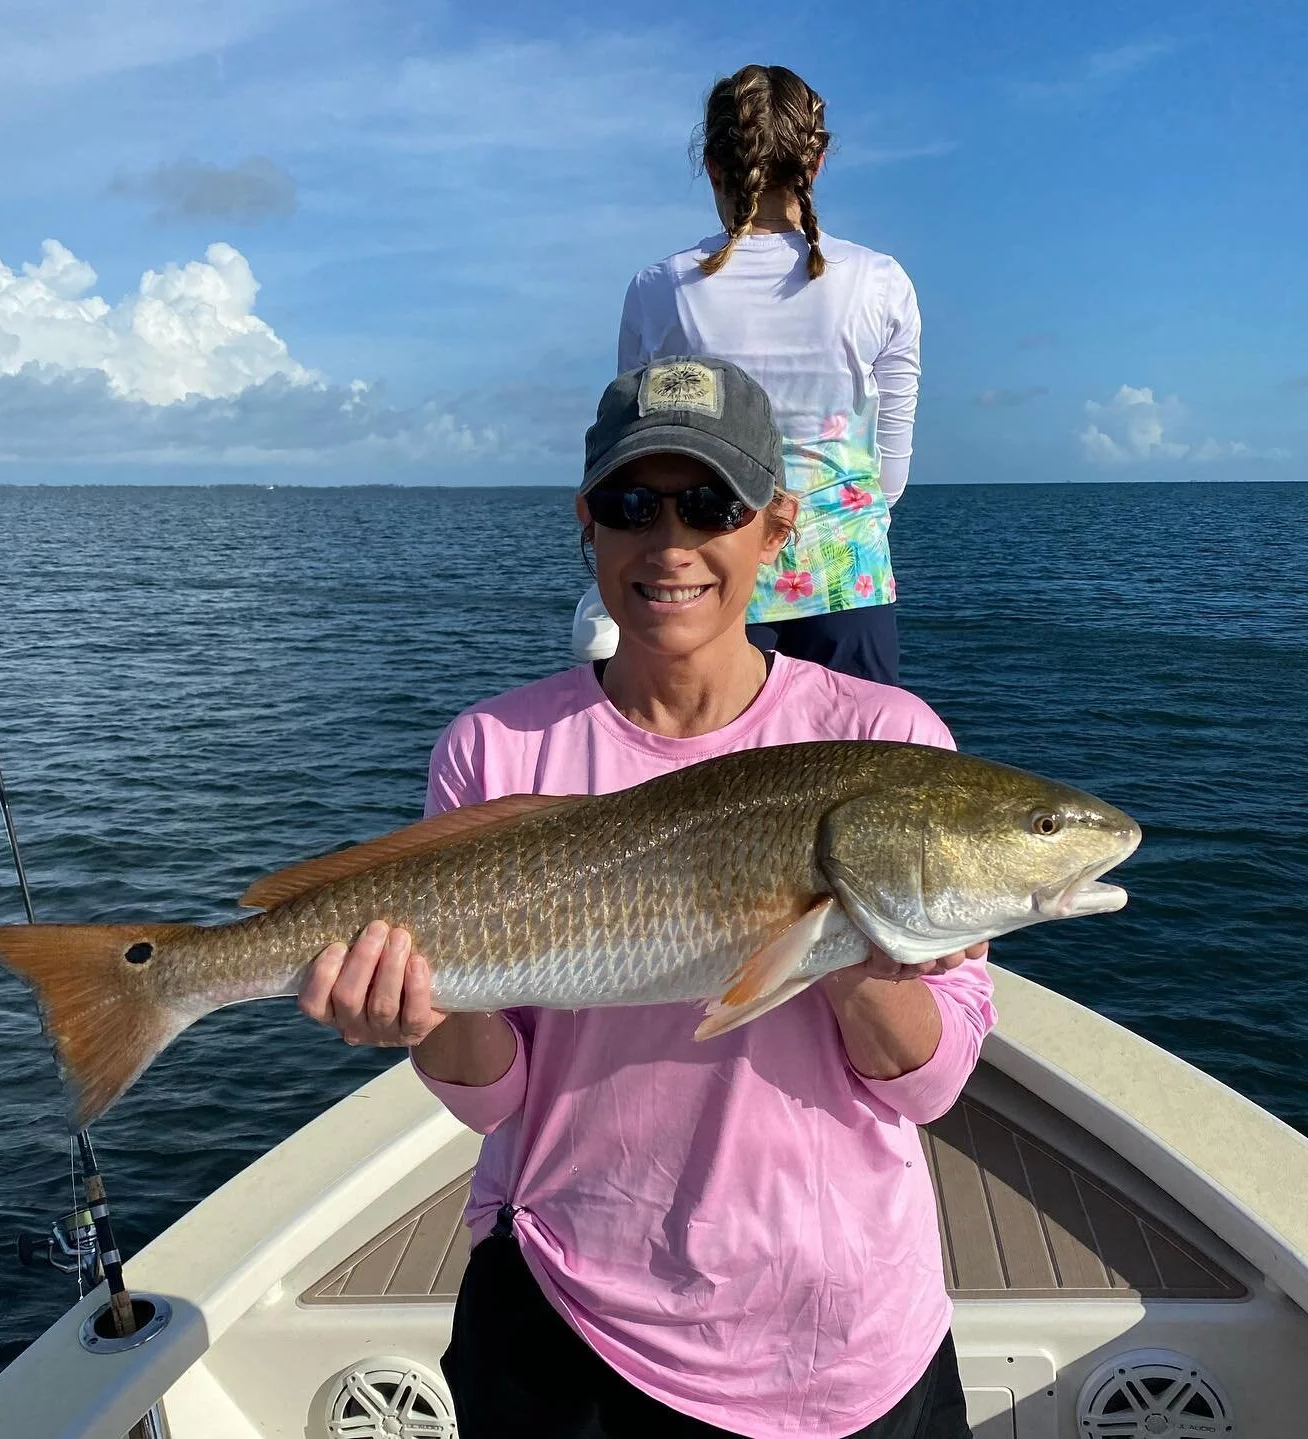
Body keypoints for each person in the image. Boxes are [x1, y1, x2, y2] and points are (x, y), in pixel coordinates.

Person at [299, 358, 992, 1439]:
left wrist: (845, 938)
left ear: (776, 527)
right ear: (587, 523)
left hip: (843, 1333)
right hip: (569, 1320)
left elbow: (932, 1082)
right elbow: (492, 1099)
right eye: (633, 505)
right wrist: (427, 1010)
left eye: (711, 504)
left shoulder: (887, 739)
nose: (671, 543)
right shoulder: (495, 747)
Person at [613, 63, 921, 685]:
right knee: (856, 746)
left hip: (709, 579)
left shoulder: (659, 289)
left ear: (712, 165)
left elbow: (634, 452)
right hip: (848, 576)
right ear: (817, 161)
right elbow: (891, 473)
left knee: (717, 750)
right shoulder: (881, 281)